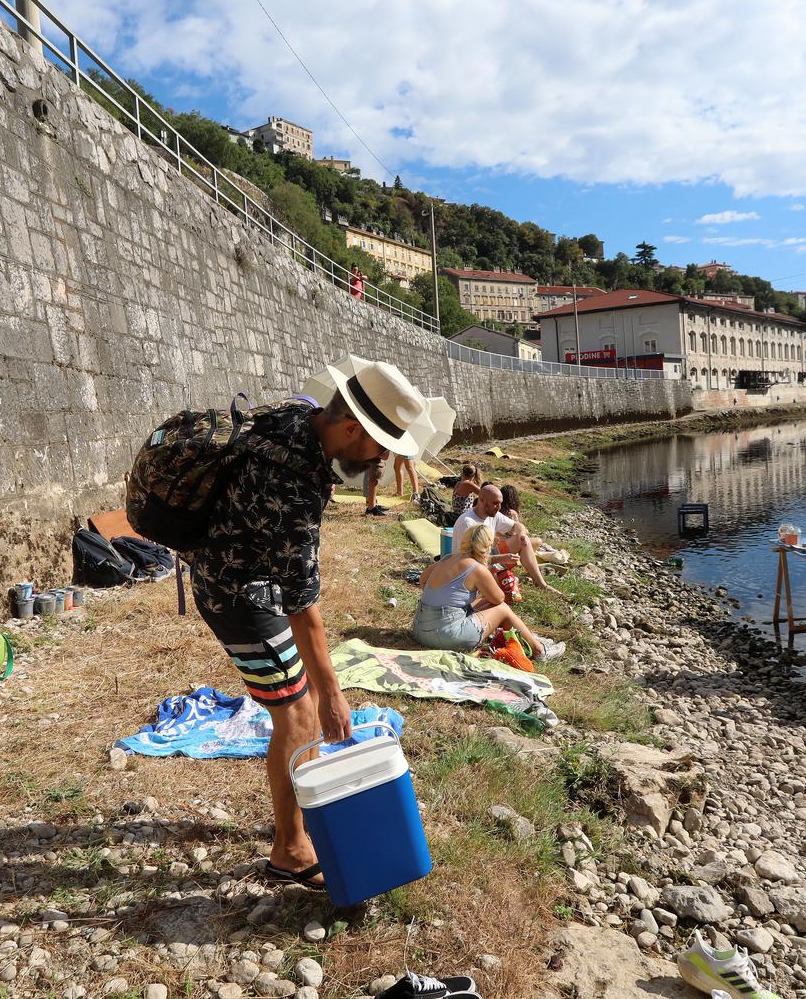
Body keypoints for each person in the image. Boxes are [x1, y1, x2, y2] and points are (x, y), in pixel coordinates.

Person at [186, 358, 428, 890]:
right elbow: (302, 608)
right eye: (380, 443)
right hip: (237, 595)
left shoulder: (298, 416)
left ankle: (300, 822)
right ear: (351, 429)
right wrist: (332, 693)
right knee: (300, 715)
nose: (384, 456)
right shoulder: (293, 485)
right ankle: (291, 852)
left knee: (298, 711)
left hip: (235, 573)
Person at [412, 523, 563, 660]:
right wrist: (491, 573)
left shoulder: (448, 558)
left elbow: (423, 579)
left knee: (484, 601)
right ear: (487, 545)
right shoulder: (476, 569)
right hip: (445, 636)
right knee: (502, 609)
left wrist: (441, 599)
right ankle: (540, 651)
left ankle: (526, 637)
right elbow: (499, 599)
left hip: (420, 629)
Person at [452, 484, 559, 593]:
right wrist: (502, 558)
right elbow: (472, 560)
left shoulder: (493, 514)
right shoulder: (468, 522)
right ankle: (511, 579)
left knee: (523, 540)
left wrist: (522, 534)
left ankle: (541, 583)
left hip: (486, 555)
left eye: (500, 503)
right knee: (500, 590)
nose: (499, 507)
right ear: (482, 500)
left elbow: (516, 525)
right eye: (495, 503)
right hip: (469, 567)